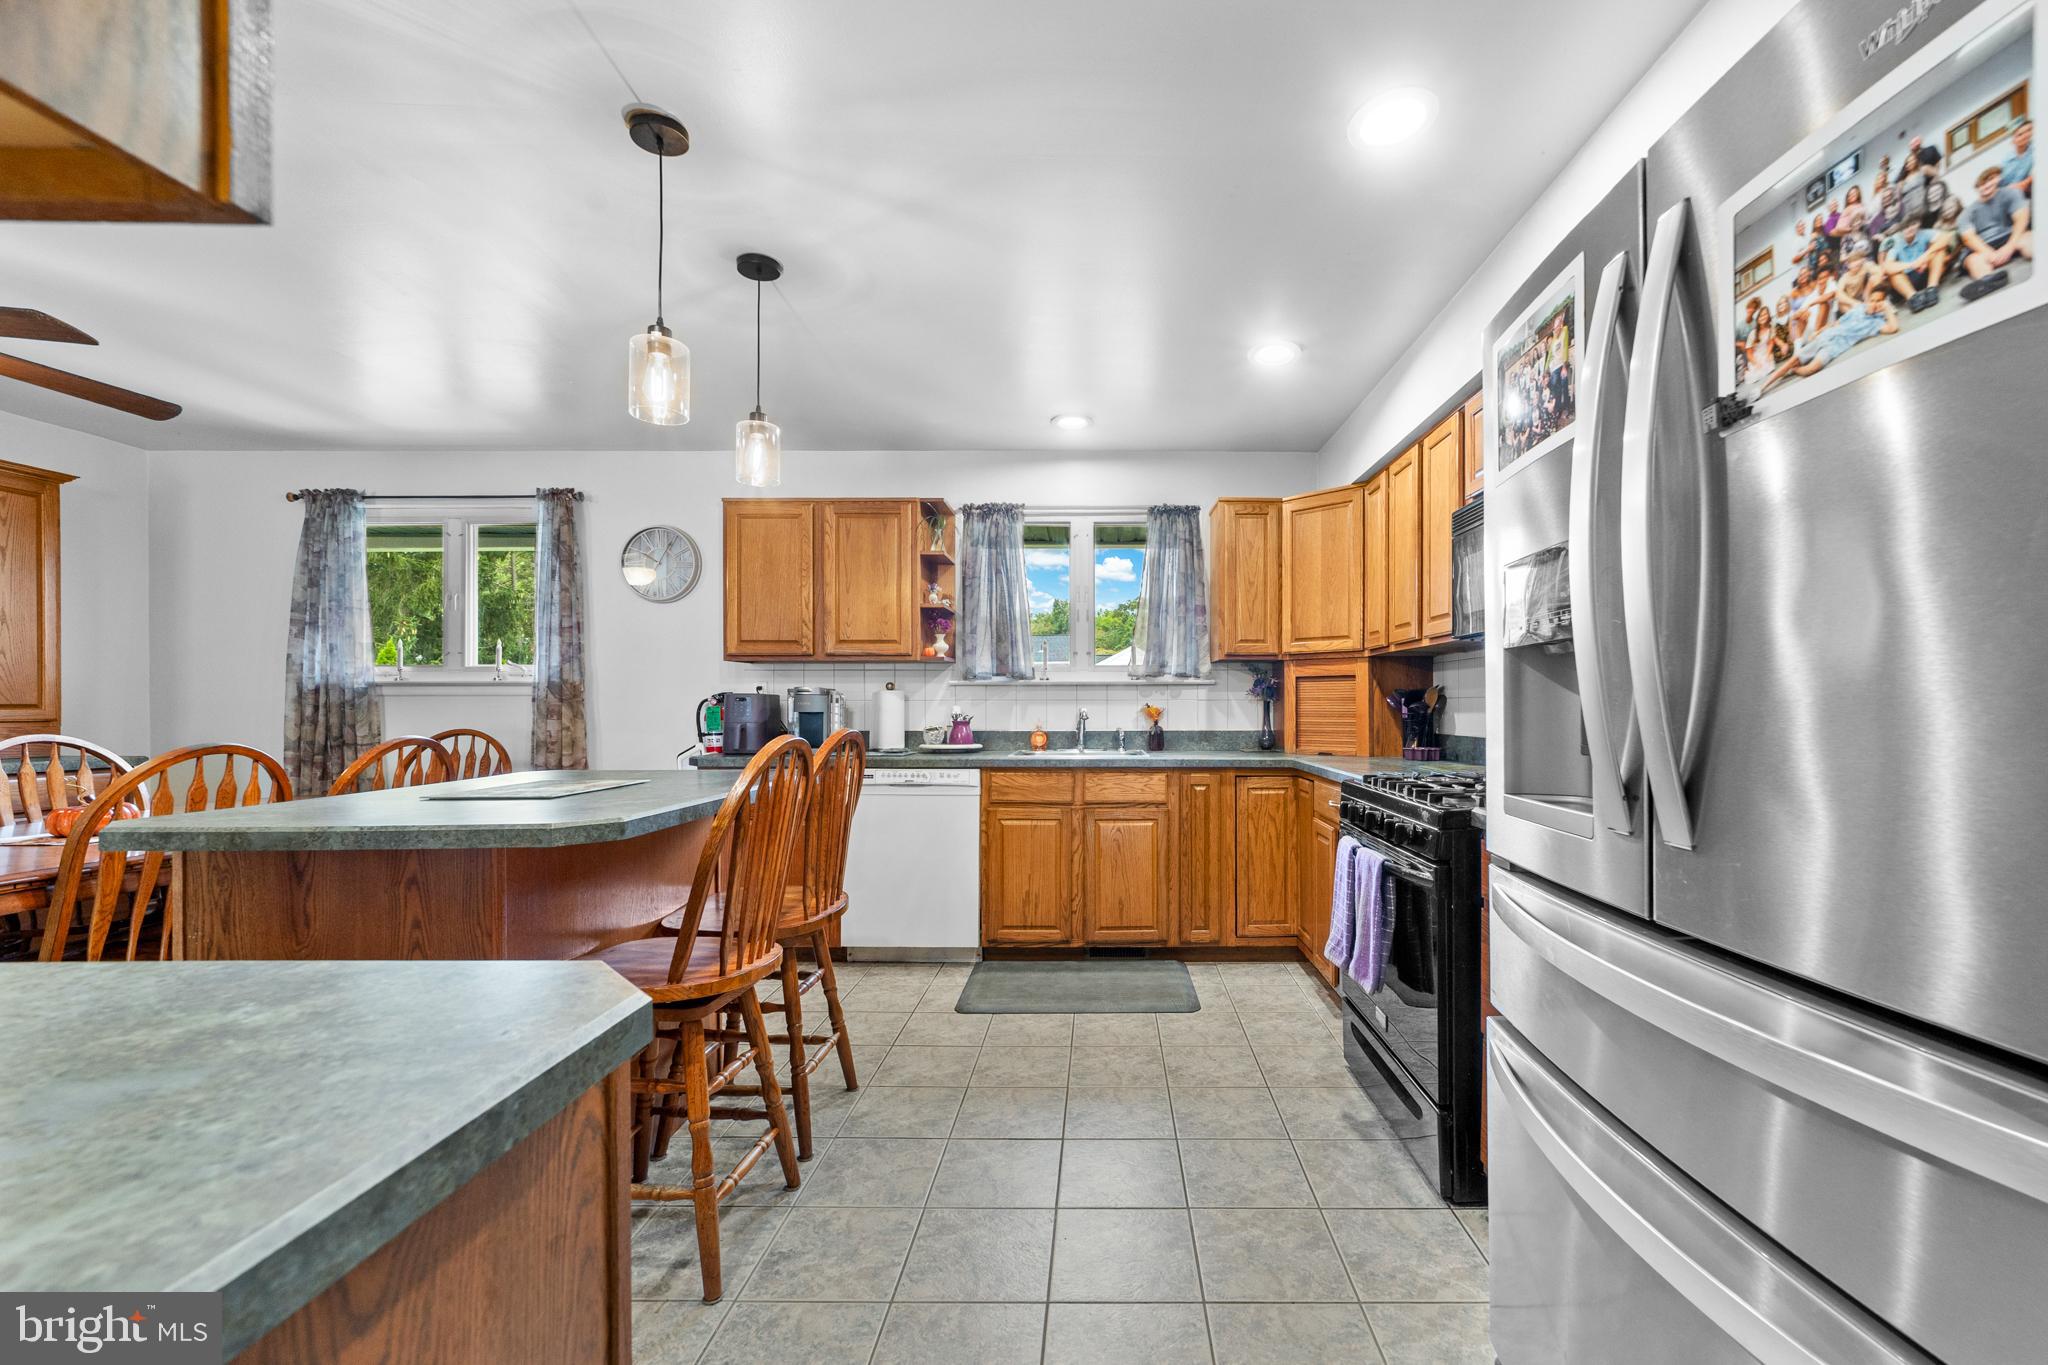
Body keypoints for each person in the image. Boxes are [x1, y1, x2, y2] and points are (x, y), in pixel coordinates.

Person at [1758, 262, 1899, 392]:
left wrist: (1886, 308)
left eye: (1878, 301)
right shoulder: (1858, 308)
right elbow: (1837, 323)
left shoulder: (1876, 323)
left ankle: (1794, 370)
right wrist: (1819, 331)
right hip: (1826, 335)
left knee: (1810, 369)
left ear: (1882, 303)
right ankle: (1764, 386)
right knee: (1791, 361)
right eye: (1872, 300)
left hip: (1835, 347)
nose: (1873, 304)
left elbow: (1893, 328)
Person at [1958, 164, 2033, 300]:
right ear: (1977, 188)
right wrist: (1990, 254)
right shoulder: (1967, 213)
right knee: (1973, 261)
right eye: (1982, 183)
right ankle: (1989, 281)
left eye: (1991, 179)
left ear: (1998, 179)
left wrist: (2009, 247)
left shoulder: (2011, 194)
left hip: (2010, 237)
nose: (1986, 185)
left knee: (2028, 239)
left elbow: (2021, 219)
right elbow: (1968, 238)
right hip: (1983, 248)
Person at [1877, 219, 1948, 310]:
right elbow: (1887, 266)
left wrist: (1925, 257)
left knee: (1939, 251)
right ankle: (1913, 297)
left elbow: (1945, 237)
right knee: (1893, 273)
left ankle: (1932, 289)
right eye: (1905, 227)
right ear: (1900, 229)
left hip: (1924, 271)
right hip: (1906, 278)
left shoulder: (1923, 233)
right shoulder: (1895, 240)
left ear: (1917, 225)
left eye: (1912, 225)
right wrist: (1913, 264)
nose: (1909, 229)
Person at [2001, 117, 2033, 199]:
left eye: (2027, 131)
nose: (2025, 136)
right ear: (2012, 141)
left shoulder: (2034, 150)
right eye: (2019, 135)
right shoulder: (2007, 160)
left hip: (2027, 193)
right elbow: (2002, 186)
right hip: (2011, 196)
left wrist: (2025, 183)